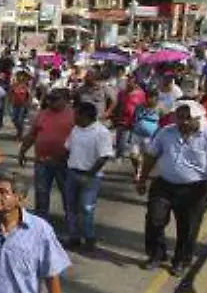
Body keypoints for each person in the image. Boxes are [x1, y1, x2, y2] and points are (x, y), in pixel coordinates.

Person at [136, 101, 207, 275]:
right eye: (179, 118)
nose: (182, 122)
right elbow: (151, 156)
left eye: (187, 118)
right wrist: (142, 179)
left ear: (198, 118)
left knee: (188, 227)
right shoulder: (166, 133)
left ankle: (181, 260)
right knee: (154, 219)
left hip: (195, 189)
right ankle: (157, 255)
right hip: (164, 184)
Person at [64, 102, 114, 251]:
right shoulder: (76, 130)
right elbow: (68, 148)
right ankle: (74, 237)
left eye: (76, 114)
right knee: (70, 207)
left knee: (86, 208)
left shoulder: (101, 132)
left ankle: (89, 237)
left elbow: (104, 156)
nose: (74, 117)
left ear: (85, 115)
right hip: (72, 173)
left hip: (90, 177)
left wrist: (89, 174)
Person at [18, 88, 75, 218]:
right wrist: (22, 151)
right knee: (41, 194)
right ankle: (41, 222)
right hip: (42, 161)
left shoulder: (74, 115)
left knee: (68, 194)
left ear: (66, 100)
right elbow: (32, 135)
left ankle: (72, 222)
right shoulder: (43, 114)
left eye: (55, 99)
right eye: (50, 99)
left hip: (65, 162)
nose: (51, 102)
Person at [112, 74, 147, 163]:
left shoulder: (141, 94)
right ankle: (119, 154)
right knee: (119, 138)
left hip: (133, 120)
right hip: (121, 119)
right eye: (127, 81)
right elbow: (118, 104)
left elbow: (143, 106)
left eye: (130, 81)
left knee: (125, 138)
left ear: (136, 84)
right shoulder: (122, 93)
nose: (128, 83)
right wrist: (115, 116)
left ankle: (121, 156)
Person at [129, 88, 163, 178]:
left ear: (156, 98)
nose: (150, 99)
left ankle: (142, 174)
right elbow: (134, 118)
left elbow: (163, 123)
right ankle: (137, 169)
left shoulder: (160, 109)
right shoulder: (139, 107)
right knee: (133, 156)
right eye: (148, 97)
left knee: (147, 158)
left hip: (151, 137)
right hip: (137, 134)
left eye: (152, 97)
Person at [7, 71, 33, 142]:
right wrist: (9, 104)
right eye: (19, 76)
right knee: (14, 119)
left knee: (19, 120)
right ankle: (19, 132)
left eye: (22, 76)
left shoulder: (26, 86)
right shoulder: (14, 85)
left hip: (23, 106)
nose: (20, 77)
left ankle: (19, 135)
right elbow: (10, 94)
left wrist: (28, 106)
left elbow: (30, 96)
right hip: (15, 105)